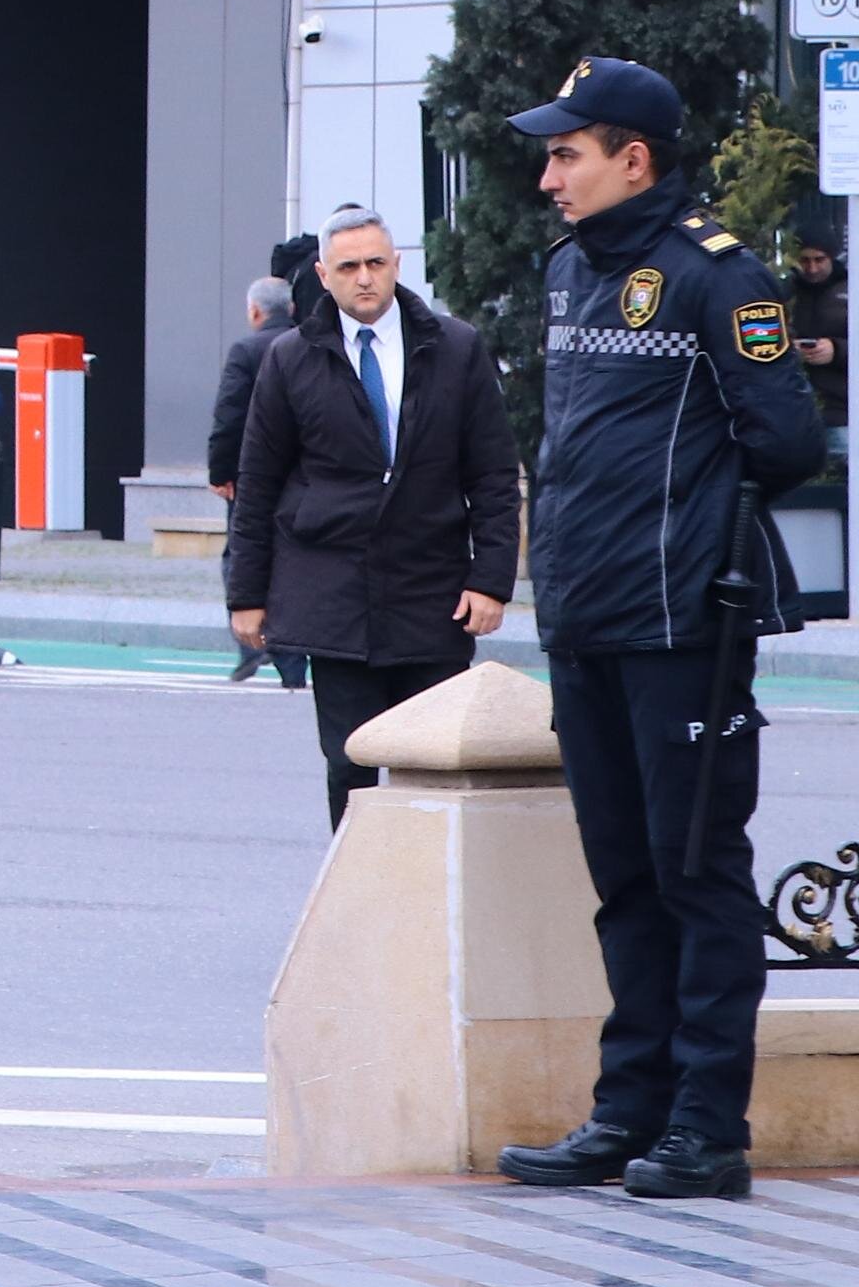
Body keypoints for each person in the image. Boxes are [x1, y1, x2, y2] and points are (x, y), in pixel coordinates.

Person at [491, 60, 825, 1205]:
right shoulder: (565, 270)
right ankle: (624, 1109)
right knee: (621, 876)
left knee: (694, 873)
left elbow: (784, 439)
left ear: (630, 158)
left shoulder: (711, 274)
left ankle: (703, 1126)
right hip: (582, 612)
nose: (547, 178)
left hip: (681, 618)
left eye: (565, 155)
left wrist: (684, 524)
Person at [224, 207, 524, 828]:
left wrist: (492, 578)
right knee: (349, 765)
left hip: (432, 590)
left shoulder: (455, 348)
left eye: (376, 264)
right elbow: (257, 486)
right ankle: (361, 903)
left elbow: (493, 475)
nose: (365, 279)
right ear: (323, 275)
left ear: (397, 265)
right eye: (349, 267)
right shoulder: (288, 359)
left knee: (437, 764)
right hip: (331, 592)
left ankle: (435, 904)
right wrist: (247, 595)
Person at [210, 274, 310, 686]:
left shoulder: (246, 350)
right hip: (305, 477)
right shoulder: (310, 345)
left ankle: (252, 644)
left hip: (254, 476)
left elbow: (229, 416)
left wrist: (221, 471)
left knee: (243, 554)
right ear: (290, 310)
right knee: (297, 561)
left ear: (254, 311)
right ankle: (293, 660)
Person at [790, 234, 846, 438]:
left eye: (819, 260)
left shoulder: (852, 289)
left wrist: (837, 350)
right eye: (805, 260)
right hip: (798, 411)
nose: (812, 268)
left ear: (832, 257)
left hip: (844, 412)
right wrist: (789, 348)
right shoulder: (789, 292)